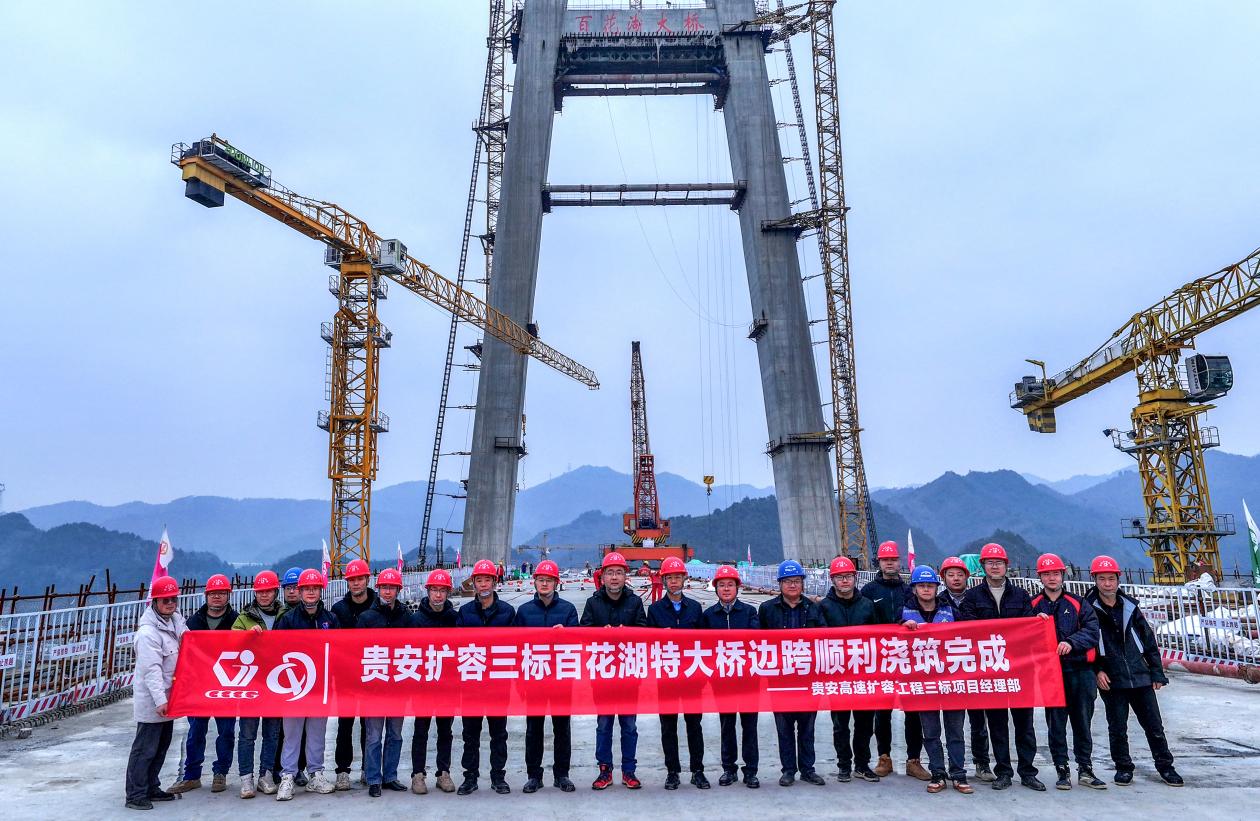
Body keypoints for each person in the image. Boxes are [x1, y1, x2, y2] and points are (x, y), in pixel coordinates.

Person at [1085, 555, 1184, 787]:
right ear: (1095, 580)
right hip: (1112, 678)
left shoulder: (1130, 607)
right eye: (1102, 579)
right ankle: (1123, 768)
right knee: (1118, 728)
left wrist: (1157, 672)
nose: (1107, 583)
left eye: (1111, 578)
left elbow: (1148, 640)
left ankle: (1166, 767)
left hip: (1140, 675)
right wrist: (1097, 670)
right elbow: (1086, 644)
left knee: (1154, 726)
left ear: (1118, 580)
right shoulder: (1087, 610)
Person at [960, 543, 1045, 791]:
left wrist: (1038, 622)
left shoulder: (1021, 595)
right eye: (990, 562)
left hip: (1019, 669)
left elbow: (1028, 627)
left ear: (1006, 566)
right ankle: (1004, 772)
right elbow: (969, 629)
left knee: (1024, 725)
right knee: (997, 725)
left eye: (999, 562)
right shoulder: (973, 597)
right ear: (983, 566)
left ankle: (1027, 772)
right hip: (991, 670)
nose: (995, 566)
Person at [1031, 553, 1105, 790]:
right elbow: (1021, 634)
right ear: (1040, 577)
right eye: (1047, 574)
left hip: (1080, 670)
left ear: (1063, 575)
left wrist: (1072, 642)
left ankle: (1085, 768)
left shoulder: (1078, 603)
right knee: (1056, 723)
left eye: (1056, 573)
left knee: (1082, 722)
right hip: (1050, 673)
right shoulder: (1032, 606)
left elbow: (1092, 631)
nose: (1052, 578)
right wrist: (1033, 622)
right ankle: (1061, 769)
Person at [580, 551, 648, 790]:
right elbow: (583, 633)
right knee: (604, 725)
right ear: (603, 577)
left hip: (629, 673)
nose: (615, 577)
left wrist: (626, 632)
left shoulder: (635, 602)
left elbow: (644, 631)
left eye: (619, 573)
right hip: (603, 674)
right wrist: (602, 633)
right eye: (610, 573)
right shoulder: (593, 603)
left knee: (629, 726)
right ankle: (604, 770)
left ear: (625, 576)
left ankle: (629, 771)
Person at [901, 566, 972, 795]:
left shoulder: (951, 611)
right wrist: (902, 628)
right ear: (914, 589)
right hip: (924, 683)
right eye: (921, 586)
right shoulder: (904, 613)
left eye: (930, 586)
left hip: (951, 681)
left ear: (936, 588)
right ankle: (938, 773)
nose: (926, 590)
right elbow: (891, 642)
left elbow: (973, 634)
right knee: (931, 732)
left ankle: (958, 774)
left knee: (955, 732)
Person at [513, 559, 579, 793]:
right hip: (534, 678)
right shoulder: (524, 611)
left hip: (561, 679)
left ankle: (562, 774)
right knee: (534, 729)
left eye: (549, 580)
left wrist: (566, 634)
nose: (544, 584)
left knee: (562, 729)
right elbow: (516, 648)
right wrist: (520, 683)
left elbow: (578, 642)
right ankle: (534, 775)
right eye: (541, 580)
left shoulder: (568, 610)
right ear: (534, 583)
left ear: (556, 583)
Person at [168, 573, 238, 795]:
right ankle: (192, 775)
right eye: (213, 593)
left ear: (228, 595)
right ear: (206, 596)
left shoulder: (236, 621)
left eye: (221, 593)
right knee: (196, 731)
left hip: (226, 686)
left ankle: (220, 773)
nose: (217, 597)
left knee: (226, 732)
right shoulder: (192, 622)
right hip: (198, 687)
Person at [273, 568, 340, 800]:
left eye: (315, 588)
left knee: (317, 733)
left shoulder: (330, 619)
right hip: (295, 687)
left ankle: (316, 774)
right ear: (300, 592)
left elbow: (340, 651)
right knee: (291, 734)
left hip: (320, 687)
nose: (311, 592)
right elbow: (276, 651)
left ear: (321, 591)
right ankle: (288, 776)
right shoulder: (288, 620)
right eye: (306, 589)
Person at [859, 541, 924, 780]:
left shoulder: (909, 591)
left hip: (908, 659)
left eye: (893, 559)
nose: (889, 563)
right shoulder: (868, 591)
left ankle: (913, 760)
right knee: (882, 711)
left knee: (913, 711)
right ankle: (884, 757)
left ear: (899, 562)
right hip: (881, 658)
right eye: (885, 559)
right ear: (879, 562)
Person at [759, 559, 824, 787]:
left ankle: (808, 769)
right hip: (780, 680)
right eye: (787, 581)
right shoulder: (767, 609)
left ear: (802, 583)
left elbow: (825, 639)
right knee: (784, 728)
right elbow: (758, 642)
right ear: (780, 584)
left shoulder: (814, 608)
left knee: (807, 728)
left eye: (796, 581)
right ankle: (788, 770)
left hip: (808, 678)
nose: (793, 585)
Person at [647, 556, 710, 790]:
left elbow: (704, 642)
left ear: (684, 579)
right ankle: (672, 771)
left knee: (694, 725)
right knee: (668, 727)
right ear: (663, 581)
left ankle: (697, 771)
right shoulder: (655, 610)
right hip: (667, 678)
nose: (674, 582)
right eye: (670, 578)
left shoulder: (694, 608)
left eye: (677, 577)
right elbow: (647, 645)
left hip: (692, 676)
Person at [124, 575, 186, 810]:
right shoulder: (148, 634)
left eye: (173, 599)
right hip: (153, 701)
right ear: (155, 602)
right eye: (165, 600)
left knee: (161, 746)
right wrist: (160, 700)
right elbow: (152, 671)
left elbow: (189, 639)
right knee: (145, 749)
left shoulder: (175, 622)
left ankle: (152, 786)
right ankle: (135, 794)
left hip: (170, 697)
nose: (170, 603)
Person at [456, 559, 517, 795]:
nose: (483, 584)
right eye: (479, 580)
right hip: (472, 683)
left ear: (495, 582)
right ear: (474, 583)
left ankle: (498, 776)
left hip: (498, 683)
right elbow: (457, 647)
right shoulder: (465, 613)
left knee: (498, 733)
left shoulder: (507, 612)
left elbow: (516, 646)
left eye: (487, 580)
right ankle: (470, 777)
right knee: (470, 734)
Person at [817, 556, 878, 783]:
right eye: (840, 577)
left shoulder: (867, 605)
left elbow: (880, 637)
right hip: (837, 675)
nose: (845, 581)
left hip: (864, 675)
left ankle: (862, 764)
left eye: (848, 576)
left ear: (855, 578)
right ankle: (844, 765)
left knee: (865, 724)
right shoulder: (823, 607)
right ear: (832, 580)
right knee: (840, 725)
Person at [700, 564, 760, 788]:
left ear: (737, 588)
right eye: (722, 585)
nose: (726, 589)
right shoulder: (708, 616)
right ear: (716, 589)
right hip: (722, 680)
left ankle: (751, 770)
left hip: (747, 681)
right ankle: (729, 768)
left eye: (730, 585)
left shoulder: (749, 612)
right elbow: (702, 648)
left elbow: (755, 643)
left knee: (749, 726)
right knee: (727, 725)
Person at [356, 568, 410, 797]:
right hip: (375, 685)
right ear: (378, 589)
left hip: (398, 685)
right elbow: (356, 652)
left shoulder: (406, 616)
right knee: (374, 736)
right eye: (384, 587)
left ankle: (390, 776)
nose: (388, 592)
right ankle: (373, 778)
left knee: (395, 734)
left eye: (392, 588)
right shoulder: (366, 618)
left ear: (398, 590)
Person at [938, 556, 992, 782]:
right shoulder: (937, 601)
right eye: (950, 575)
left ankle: (982, 763)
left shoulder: (978, 598)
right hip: (949, 670)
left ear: (967, 577)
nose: (956, 578)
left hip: (975, 668)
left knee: (979, 721)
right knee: (954, 723)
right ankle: (954, 766)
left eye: (960, 574)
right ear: (943, 578)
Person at [232, 570, 286, 798]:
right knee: (247, 733)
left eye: (268, 591)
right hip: (251, 684)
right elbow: (230, 642)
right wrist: (246, 636)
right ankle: (246, 778)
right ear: (255, 593)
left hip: (276, 683)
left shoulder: (285, 615)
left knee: (272, 733)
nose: (264, 595)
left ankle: (266, 775)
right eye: (260, 592)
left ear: (275, 592)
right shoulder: (244, 618)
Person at [409, 568, 459, 795]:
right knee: (421, 730)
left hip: (447, 685)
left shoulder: (455, 619)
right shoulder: (416, 620)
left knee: (445, 730)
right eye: (434, 590)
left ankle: (443, 772)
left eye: (442, 590)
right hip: (423, 685)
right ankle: (418, 774)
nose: (438, 595)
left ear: (448, 592)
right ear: (427, 591)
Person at [330, 558, 375, 791]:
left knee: (370, 724)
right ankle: (342, 771)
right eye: (352, 580)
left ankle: (369, 768)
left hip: (372, 673)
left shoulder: (378, 605)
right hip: (346, 675)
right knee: (345, 724)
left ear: (367, 579)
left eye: (360, 579)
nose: (356, 583)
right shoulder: (338, 610)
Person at [274, 566, 308, 784]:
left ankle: (299, 769)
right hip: (285, 679)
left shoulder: (316, 614)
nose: (293, 591)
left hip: (306, 678)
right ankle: (279, 769)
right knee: (282, 731)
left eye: (296, 587)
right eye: (289, 588)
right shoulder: (281, 616)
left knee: (303, 731)